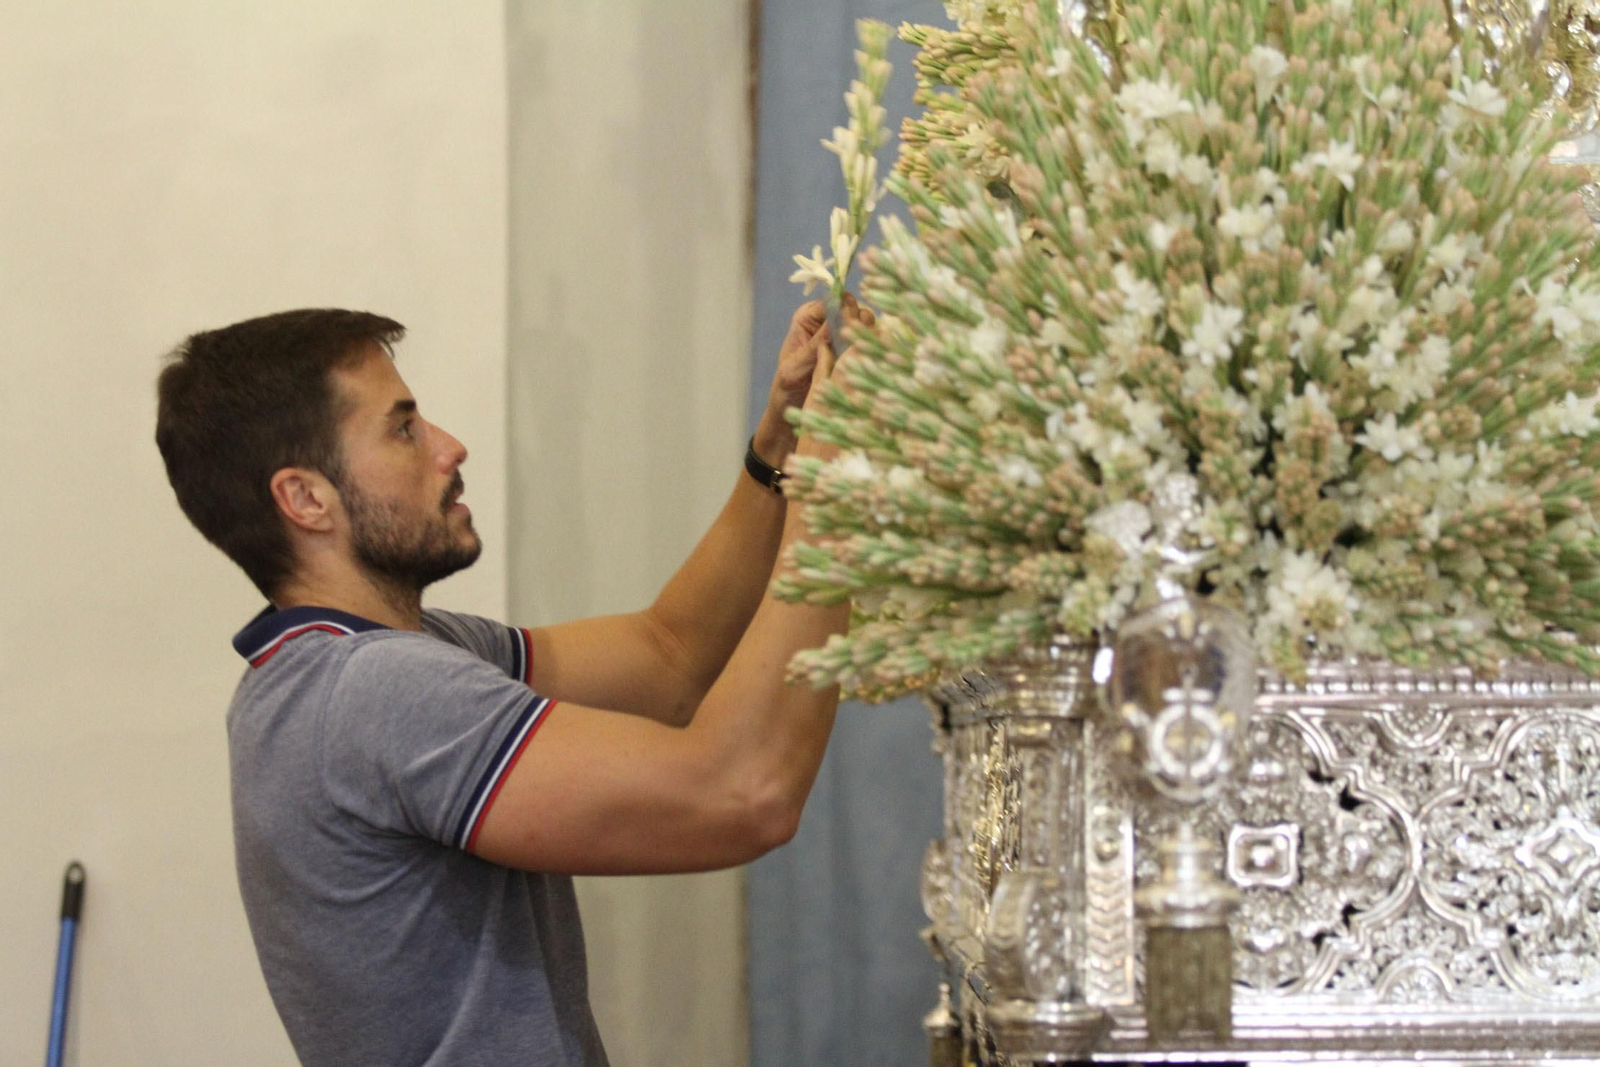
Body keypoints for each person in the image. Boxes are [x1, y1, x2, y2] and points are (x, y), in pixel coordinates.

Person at [153, 296, 869, 1067]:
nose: (449, 446)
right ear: (304, 498)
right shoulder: (375, 692)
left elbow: (668, 656)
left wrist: (780, 452)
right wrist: (834, 490)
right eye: (403, 427)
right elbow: (742, 790)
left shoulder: (351, 666)